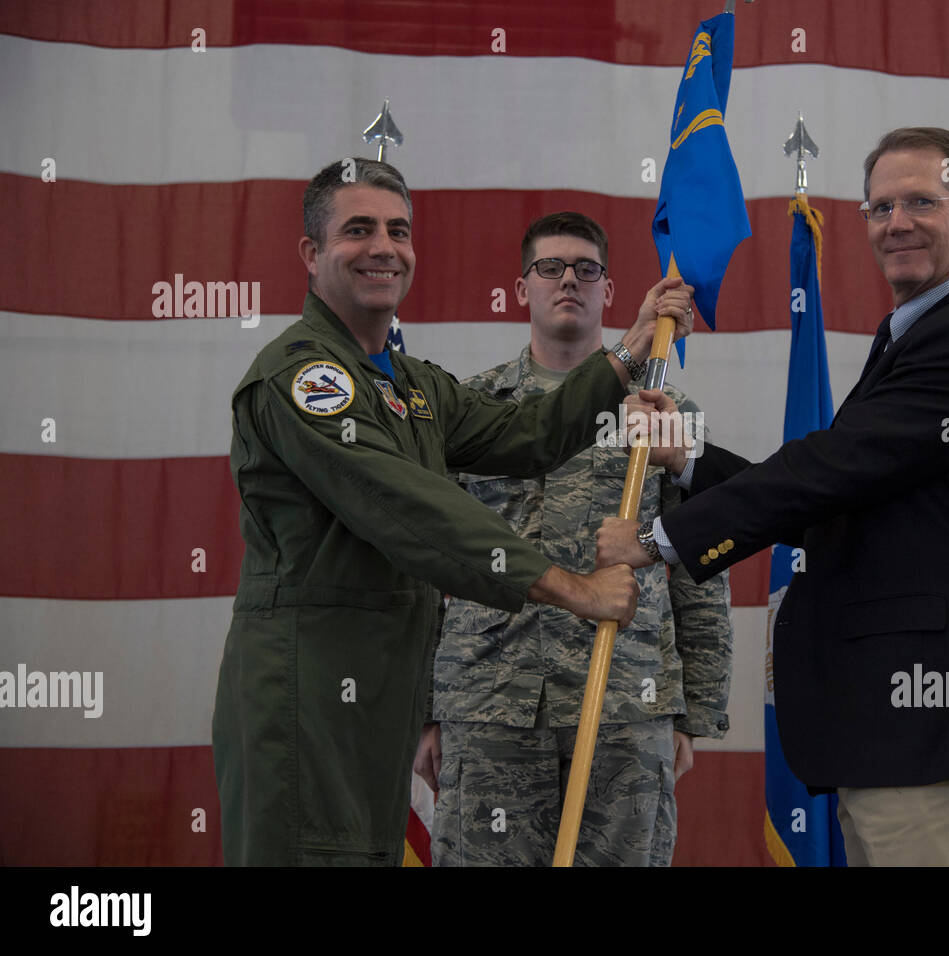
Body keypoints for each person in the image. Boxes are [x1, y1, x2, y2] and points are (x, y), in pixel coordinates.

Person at [598, 128, 949, 866]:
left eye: (921, 202)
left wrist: (659, 542)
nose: (897, 222)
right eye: (879, 208)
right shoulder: (914, 338)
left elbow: (828, 471)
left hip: (935, 731)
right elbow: (843, 499)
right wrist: (689, 460)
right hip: (896, 738)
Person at [211, 159, 693, 866]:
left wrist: (628, 346)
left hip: (382, 693)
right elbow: (414, 508)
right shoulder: (304, 378)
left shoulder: (409, 386)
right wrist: (574, 588)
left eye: (398, 230)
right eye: (358, 230)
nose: (384, 246)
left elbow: (525, 435)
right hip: (309, 694)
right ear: (312, 255)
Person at [412, 212, 733, 867]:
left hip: (623, 699)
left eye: (586, 270)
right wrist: (425, 707)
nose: (568, 281)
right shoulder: (471, 410)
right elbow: (427, 561)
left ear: (609, 292)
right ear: (521, 286)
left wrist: (692, 711)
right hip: (487, 700)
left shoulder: (667, 414)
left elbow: (701, 561)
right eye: (550, 268)